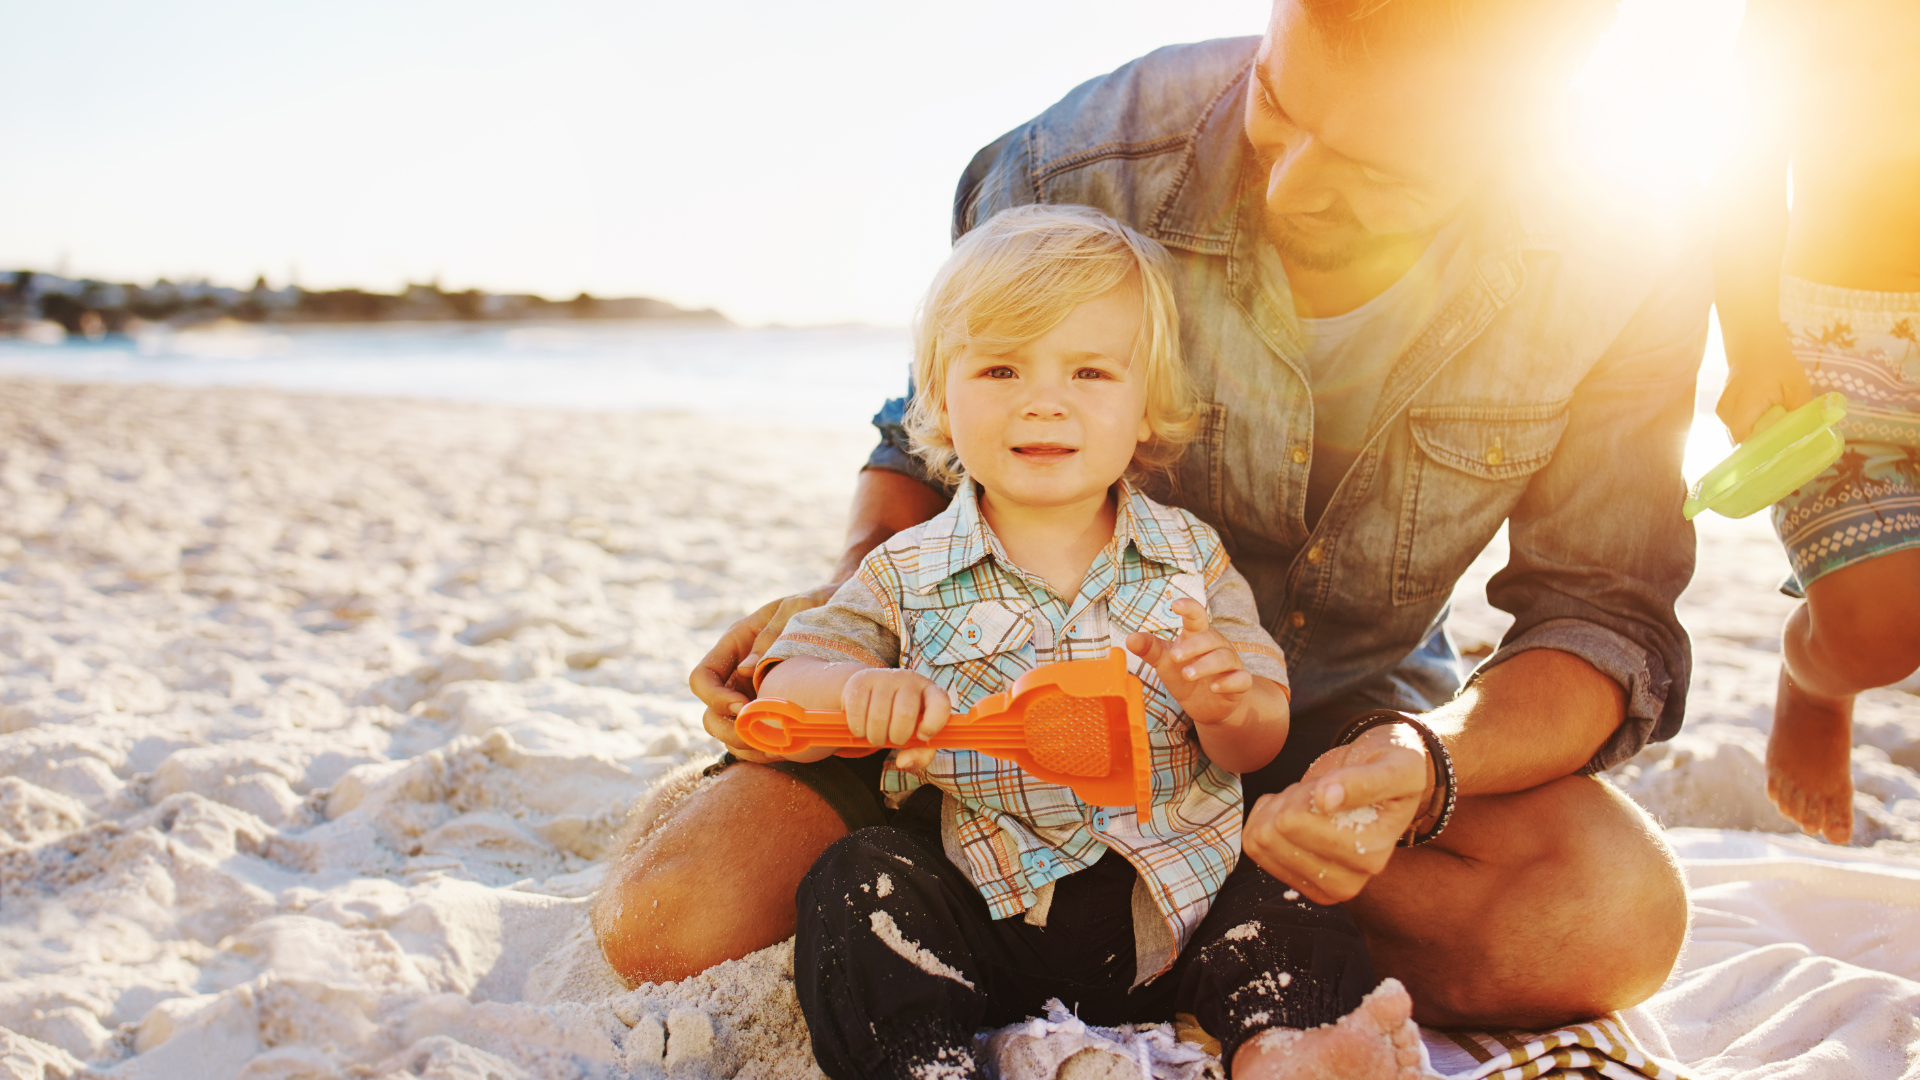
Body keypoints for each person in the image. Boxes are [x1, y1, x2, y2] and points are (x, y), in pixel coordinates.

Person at [597, 0, 1703, 1031]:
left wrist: (1422, 759)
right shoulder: (1074, 165)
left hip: (1326, 737)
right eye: (1280, 109)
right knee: (674, 921)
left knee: (1610, 917)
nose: (1294, 192)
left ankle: (1185, 910)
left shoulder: (1624, 252)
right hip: (980, 717)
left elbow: (1601, 614)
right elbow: (924, 436)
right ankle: (1021, 895)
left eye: (1379, 173)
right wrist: (835, 640)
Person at [764, 203, 1416, 1080]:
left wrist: (1221, 703)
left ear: (1148, 407)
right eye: (999, 368)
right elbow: (785, 679)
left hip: (1183, 905)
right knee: (858, 882)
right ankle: (920, 1062)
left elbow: (1257, 733)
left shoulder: (1190, 558)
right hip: (990, 911)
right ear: (940, 402)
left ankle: (1280, 1047)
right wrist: (851, 692)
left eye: (1090, 373)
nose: (1044, 400)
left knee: (1289, 889)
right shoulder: (905, 571)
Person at [1710, 0, 1920, 846]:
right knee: (1875, 636)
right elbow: (1743, 166)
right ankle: (1819, 679)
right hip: (1834, 356)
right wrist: (1753, 338)